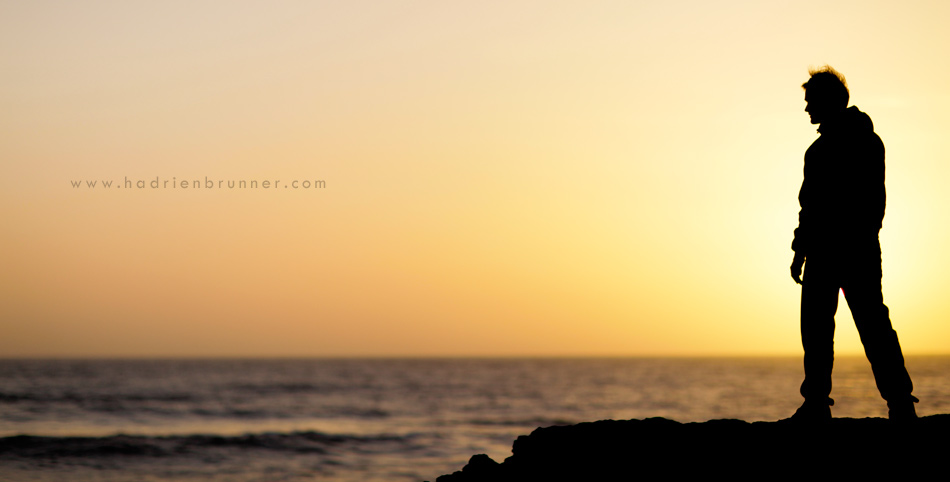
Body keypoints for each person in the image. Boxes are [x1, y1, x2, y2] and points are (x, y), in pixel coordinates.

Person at [789, 66, 918, 420]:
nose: (806, 109)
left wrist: (851, 240)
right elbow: (809, 207)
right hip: (823, 252)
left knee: (872, 326)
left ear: (828, 101)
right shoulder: (817, 151)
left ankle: (900, 402)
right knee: (818, 329)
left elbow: (873, 202)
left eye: (811, 101)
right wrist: (801, 249)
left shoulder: (864, 143)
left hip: (854, 251)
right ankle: (817, 402)